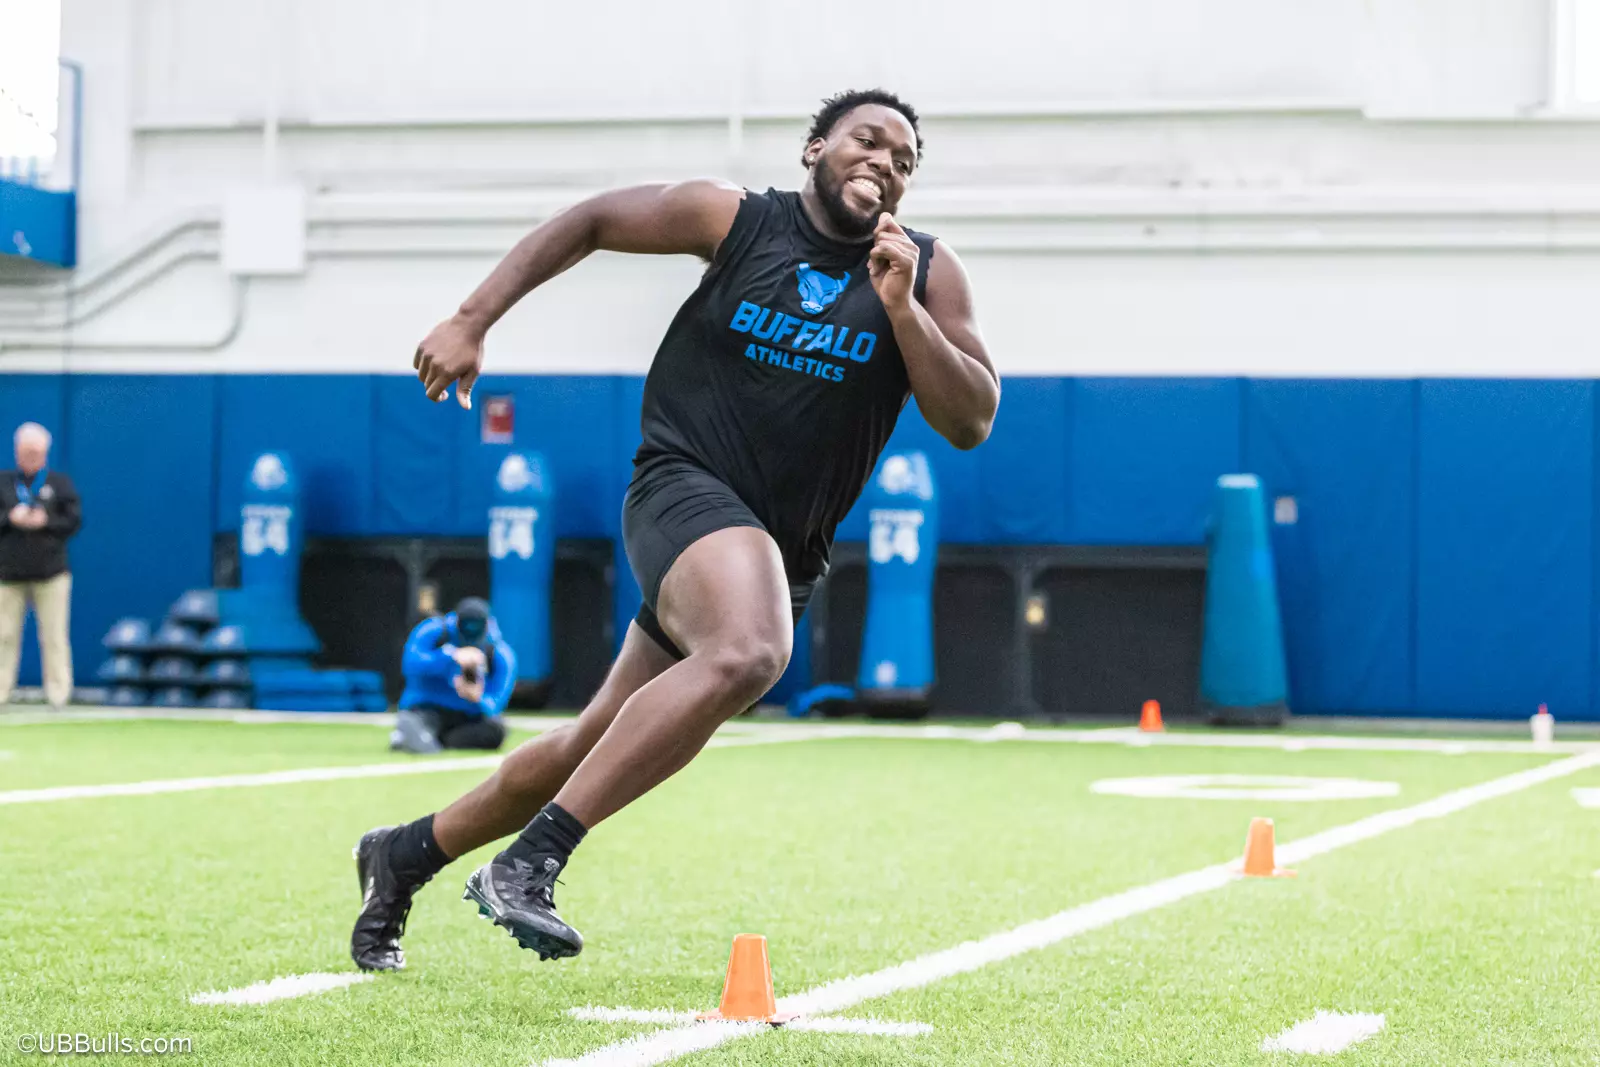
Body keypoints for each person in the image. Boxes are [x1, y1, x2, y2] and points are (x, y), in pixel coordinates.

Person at [351, 88, 1000, 971]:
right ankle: (533, 862)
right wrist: (471, 318)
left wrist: (901, 307)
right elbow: (587, 222)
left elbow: (970, 419)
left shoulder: (923, 270)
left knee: (592, 740)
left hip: (778, 547)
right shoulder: (734, 220)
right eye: (867, 141)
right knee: (750, 649)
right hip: (681, 487)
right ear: (814, 149)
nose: (884, 163)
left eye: (904, 160)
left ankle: (406, 852)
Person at [0, 423, 82, 710]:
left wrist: (45, 521)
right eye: (25, 452)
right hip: (8, 574)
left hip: (52, 573)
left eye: (36, 452)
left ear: (45, 453)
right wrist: (12, 518)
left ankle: (59, 694)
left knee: (54, 635)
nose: (30, 457)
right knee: (3, 634)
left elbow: (73, 521)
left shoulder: (59, 484)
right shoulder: (4, 482)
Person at [390, 597, 513, 754]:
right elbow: (410, 664)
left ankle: (429, 740)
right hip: (429, 709)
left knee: (496, 731)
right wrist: (449, 657)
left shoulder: (499, 654)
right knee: (420, 720)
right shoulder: (433, 632)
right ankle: (415, 733)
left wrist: (477, 697)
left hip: (467, 716)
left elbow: (497, 701)